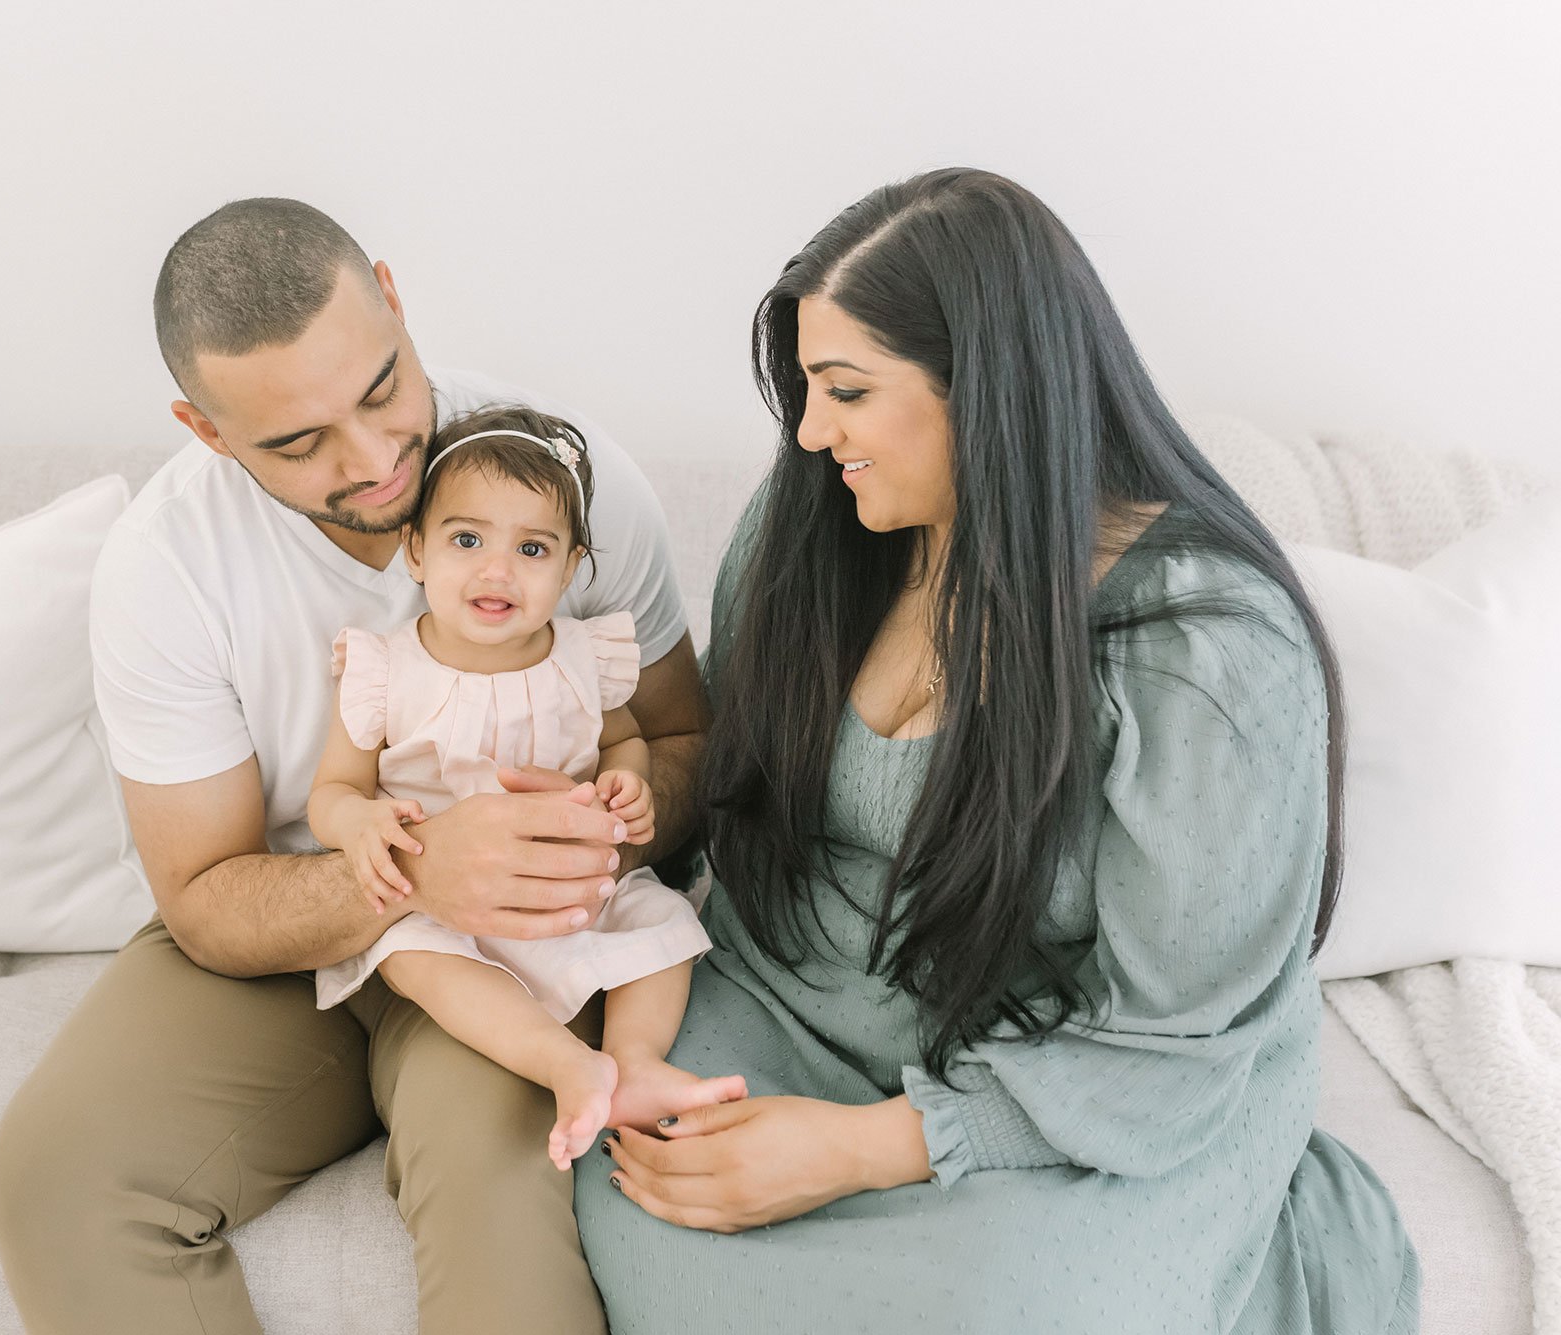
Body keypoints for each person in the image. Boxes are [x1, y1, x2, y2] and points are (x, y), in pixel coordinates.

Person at [573, 167, 1423, 1333]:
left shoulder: (1205, 649)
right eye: (809, 391)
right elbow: (727, 792)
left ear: (986, 394)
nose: (812, 432)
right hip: (787, 1004)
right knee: (636, 1204)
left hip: (1079, 1078)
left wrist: (871, 1149)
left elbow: (1169, 1029)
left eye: (847, 391)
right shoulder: (809, 527)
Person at [0, 199, 709, 1335]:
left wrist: (611, 816)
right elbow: (208, 902)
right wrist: (421, 870)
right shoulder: (165, 567)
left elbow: (682, 745)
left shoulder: (562, 481)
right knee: (53, 1186)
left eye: (379, 392)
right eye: (297, 442)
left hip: (516, 948)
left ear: (393, 300)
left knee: (498, 1196)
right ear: (206, 430)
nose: (372, 463)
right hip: (285, 932)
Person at [307, 406, 746, 1171]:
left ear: (571, 567)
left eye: (532, 547)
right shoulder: (387, 670)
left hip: (568, 889)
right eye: (467, 539)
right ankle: (563, 1062)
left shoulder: (585, 655)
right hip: (443, 907)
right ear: (415, 550)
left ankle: (633, 1058)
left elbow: (624, 739)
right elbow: (333, 792)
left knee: (664, 918)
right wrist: (362, 825)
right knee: (409, 953)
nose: (497, 570)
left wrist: (628, 782)